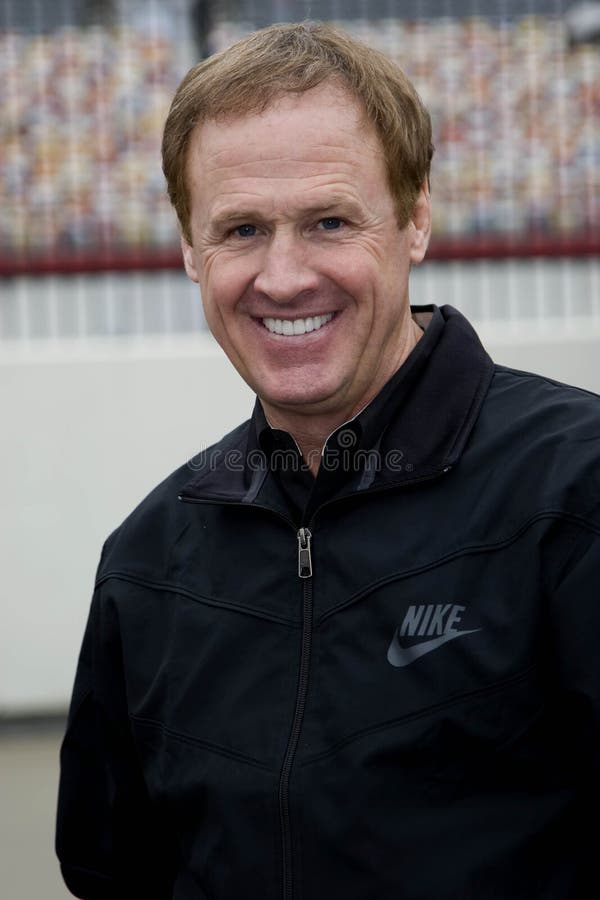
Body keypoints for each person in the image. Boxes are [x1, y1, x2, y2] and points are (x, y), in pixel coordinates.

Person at [55, 21, 600, 900]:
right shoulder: (147, 565)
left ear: (416, 217)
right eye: (240, 229)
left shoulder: (576, 494)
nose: (282, 276)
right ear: (190, 249)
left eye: (329, 220)